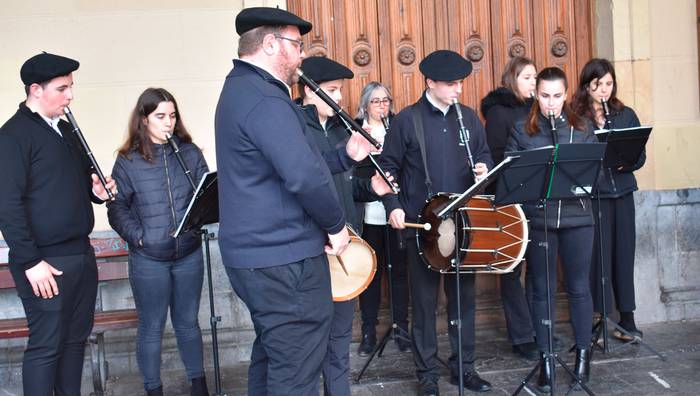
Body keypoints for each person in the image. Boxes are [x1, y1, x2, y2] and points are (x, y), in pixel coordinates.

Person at [214, 7, 374, 395]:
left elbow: (287, 164)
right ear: (270, 44)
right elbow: (301, 176)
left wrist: (342, 158)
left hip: (261, 257)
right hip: (282, 260)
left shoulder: (242, 89)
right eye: (296, 45)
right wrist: (336, 227)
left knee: (273, 358)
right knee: (296, 371)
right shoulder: (264, 99)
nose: (302, 55)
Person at [0, 52, 117, 395]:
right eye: (62, 88)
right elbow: (7, 205)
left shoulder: (65, 130)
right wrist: (31, 261)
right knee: (47, 345)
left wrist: (96, 191)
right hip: (44, 261)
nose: (70, 96)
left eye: (71, 87)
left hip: (80, 252)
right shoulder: (13, 136)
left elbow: (76, 184)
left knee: (74, 342)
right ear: (36, 90)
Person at [380, 49, 493, 396]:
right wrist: (392, 206)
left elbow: (485, 154)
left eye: (460, 82)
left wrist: (484, 169)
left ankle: (465, 368)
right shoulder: (407, 121)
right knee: (426, 304)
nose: (458, 89)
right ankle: (427, 374)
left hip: (462, 226)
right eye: (451, 84)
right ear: (430, 83)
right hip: (423, 227)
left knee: (464, 300)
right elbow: (387, 169)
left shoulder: (470, 118)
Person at [297, 56, 396, 396]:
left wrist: (373, 189)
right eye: (332, 91)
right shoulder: (295, 128)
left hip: (347, 245)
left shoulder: (342, 131)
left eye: (340, 91)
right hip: (314, 249)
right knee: (310, 343)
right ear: (310, 91)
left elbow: (347, 187)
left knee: (340, 341)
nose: (339, 99)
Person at [107, 88, 209, 396]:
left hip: (188, 252)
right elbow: (116, 207)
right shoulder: (127, 160)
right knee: (152, 327)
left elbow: (204, 193)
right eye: (160, 116)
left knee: (189, 323)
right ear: (144, 119)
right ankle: (153, 389)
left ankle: (199, 386)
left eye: (173, 115)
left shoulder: (189, 152)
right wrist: (139, 236)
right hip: (149, 257)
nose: (168, 123)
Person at [506, 66, 597, 392]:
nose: (551, 103)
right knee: (541, 290)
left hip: (578, 220)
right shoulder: (522, 130)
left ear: (567, 94)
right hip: (539, 221)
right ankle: (545, 360)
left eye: (557, 96)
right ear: (536, 95)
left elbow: (592, 175)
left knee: (578, 288)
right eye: (545, 96)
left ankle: (583, 358)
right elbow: (511, 177)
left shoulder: (583, 128)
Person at [572, 58, 647, 340]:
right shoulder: (576, 119)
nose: (604, 90)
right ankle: (601, 320)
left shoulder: (625, 114)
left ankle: (627, 319)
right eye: (597, 84)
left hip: (623, 192)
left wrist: (623, 162)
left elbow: (640, 155)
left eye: (608, 83)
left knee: (624, 255)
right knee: (598, 258)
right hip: (595, 196)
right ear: (586, 86)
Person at [479, 56, 539, 361]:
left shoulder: (539, 110)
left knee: (538, 267)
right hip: (511, 200)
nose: (533, 82)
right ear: (512, 79)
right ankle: (521, 335)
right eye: (527, 77)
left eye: (534, 77)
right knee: (512, 268)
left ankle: (539, 327)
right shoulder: (500, 113)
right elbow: (493, 160)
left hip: (538, 198)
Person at [354, 81, 411, 356]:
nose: (381, 106)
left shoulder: (398, 127)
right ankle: (368, 331)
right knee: (371, 273)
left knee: (399, 271)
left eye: (386, 101)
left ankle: (402, 328)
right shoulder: (354, 129)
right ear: (365, 104)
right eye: (376, 101)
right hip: (368, 214)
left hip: (395, 212)